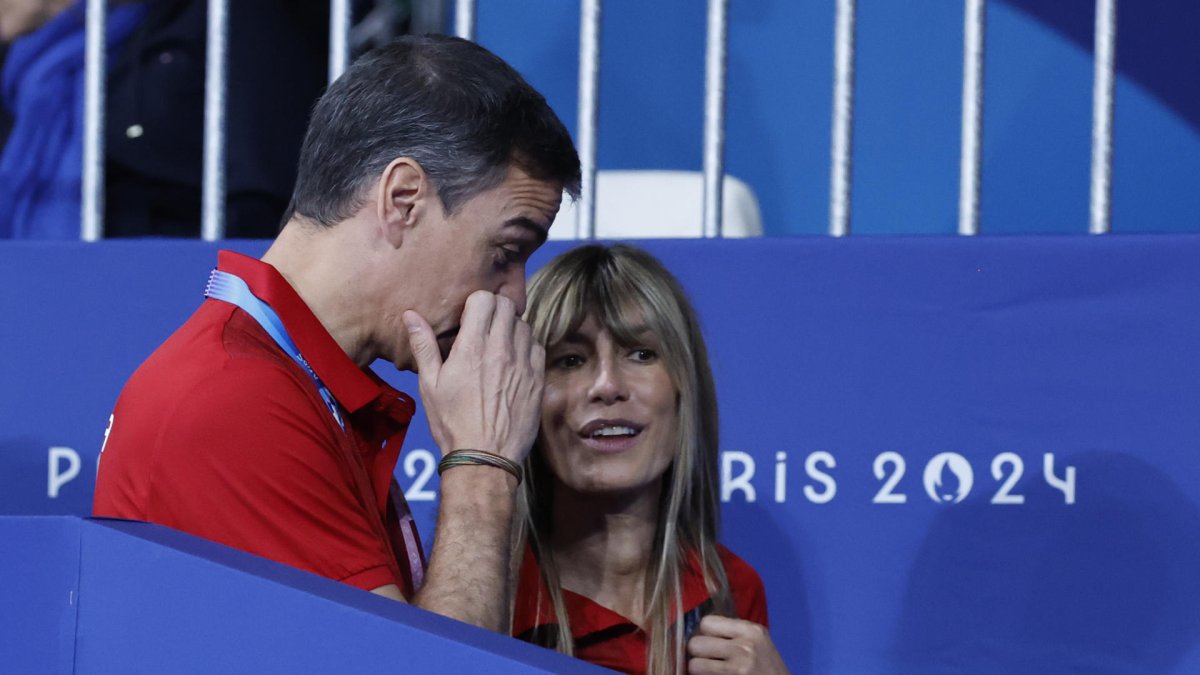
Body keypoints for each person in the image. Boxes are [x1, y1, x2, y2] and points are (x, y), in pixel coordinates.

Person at [92, 34, 580, 632]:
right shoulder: (233, 402)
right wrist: (483, 463)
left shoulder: (289, 385)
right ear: (403, 199)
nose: (515, 297)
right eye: (506, 251)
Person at [511, 244, 788, 674]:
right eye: (570, 359)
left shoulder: (730, 590)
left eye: (641, 354)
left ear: (683, 389)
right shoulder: (486, 599)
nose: (607, 386)